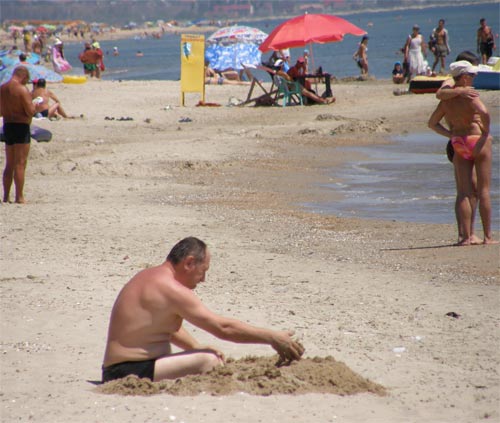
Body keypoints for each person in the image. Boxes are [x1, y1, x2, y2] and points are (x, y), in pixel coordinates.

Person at [102, 237, 305, 382]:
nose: (204, 279)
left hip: (120, 367)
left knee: (204, 354)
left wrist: (194, 346)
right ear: (189, 263)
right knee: (209, 361)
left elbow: (165, 328)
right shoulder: (171, 288)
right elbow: (223, 328)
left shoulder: (151, 276)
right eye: (203, 271)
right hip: (127, 371)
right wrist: (272, 337)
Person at [428, 61, 496, 246]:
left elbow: (432, 123)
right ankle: (488, 237)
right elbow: (484, 112)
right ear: (464, 77)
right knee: (483, 190)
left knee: (464, 192)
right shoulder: (470, 94)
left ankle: (466, 237)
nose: (474, 77)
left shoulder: (446, 100)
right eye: (472, 75)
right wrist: (486, 131)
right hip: (476, 139)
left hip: (459, 141)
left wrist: (450, 135)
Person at [435, 51, 481, 244]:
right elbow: (440, 94)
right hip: (458, 141)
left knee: (472, 189)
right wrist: (461, 91)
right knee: (465, 189)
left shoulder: (463, 83)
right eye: (472, 71)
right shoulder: (450, 81)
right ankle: (464, 234)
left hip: (463, 141)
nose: (475, 75)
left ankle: (469, 231)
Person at [0, 66, 36, 204]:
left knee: (9, 163)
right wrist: (34, 104)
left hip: (8, 125)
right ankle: (19, 197)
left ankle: (5, 196)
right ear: (23, 76)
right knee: (20, 163)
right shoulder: (22, 89)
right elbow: (30, 111)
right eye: (27, 80)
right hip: (21, 126)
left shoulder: (2, 88)